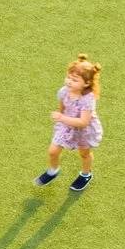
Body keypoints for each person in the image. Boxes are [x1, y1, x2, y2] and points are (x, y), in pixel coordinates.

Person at [35, 56, 103, 191]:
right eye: (69, 78)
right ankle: (53, 171)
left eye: (75, 80)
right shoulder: (64, 91)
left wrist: (62, 118)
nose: (70, 82)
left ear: (87, 83)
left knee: (84, 154)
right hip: (66, 126)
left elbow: (83, 122)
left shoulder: (87, 99)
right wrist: (61, 119)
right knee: (53, 151)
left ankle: (86, 175)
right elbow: (63, 107)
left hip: (84, 131)